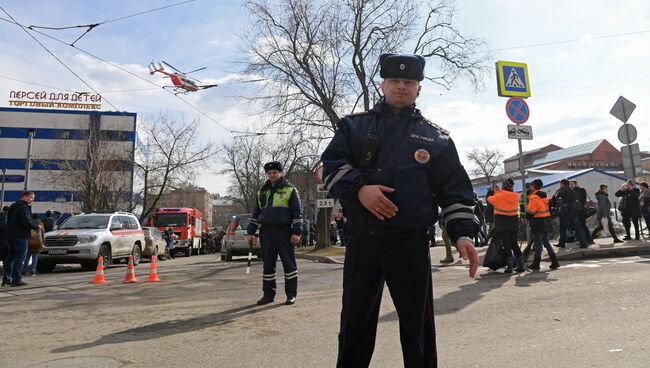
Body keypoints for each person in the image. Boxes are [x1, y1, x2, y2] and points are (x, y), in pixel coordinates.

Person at [321, 53, 479, 367]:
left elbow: (454, 189)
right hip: (363, 242)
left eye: (409, 82)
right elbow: (330, 165)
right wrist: (359, 188)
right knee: (354, 327)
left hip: (410, 244)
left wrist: (462, 233)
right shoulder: (354, 127)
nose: (402, 87)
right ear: (383, 85)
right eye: (395, 81)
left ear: (419, 89)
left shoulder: (437, 139)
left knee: (418, 331)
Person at [247, 161, 302, 306]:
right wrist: (250, 232)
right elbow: (255, 213)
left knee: (288, 263)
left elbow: (297, 213)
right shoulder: (261, 192)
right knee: (268, 265)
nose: (272, 175)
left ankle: (291, 294)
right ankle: (268, 294)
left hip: (284, 231)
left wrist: (297, 232)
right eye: (269, 173)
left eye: (275, 173)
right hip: (266, 232)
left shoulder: (290, 190)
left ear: (281, 173)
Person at [487, 178, 525, 273]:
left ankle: (510, 267)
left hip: (503, 224)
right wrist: (498, 192)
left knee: (507, 245)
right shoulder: (515, 195)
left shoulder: (499, 195)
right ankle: (521, 265)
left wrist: (492, 192)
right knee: (514, 244)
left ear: (504, 185)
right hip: (513, 223)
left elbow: (490, 200)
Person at [3, 191, 39, 287]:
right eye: (31, 197)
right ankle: (17, 279)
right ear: (25, 196)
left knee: (10, 258)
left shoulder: (13, 205)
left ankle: (6, 279)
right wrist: (36, 227)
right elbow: (26, 221)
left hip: (10, 236)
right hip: (20, 236)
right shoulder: (24, 207)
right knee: (20, 258)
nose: (32, 200)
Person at [526, 179, 559, 270]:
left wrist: (527, 215)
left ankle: (536, 264)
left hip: (538, 222)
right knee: (546, 242)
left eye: (531, 185)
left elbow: (531, 211)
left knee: (538, 244)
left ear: (534, 186)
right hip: (546, 221)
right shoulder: (545, 195)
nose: (530, 187)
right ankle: (555, 261)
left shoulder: (533, 197)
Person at [553, 179, 588, 248]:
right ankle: (584, 243)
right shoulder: (572, 190)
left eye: (560, 184)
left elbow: (556, 200)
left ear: (562, 184)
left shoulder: (560, 190)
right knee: (578, 227)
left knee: (563, 228)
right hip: (574, 211)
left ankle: (562, 243)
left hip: (565, 211)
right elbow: (577, 198)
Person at [570, 180, 594, 244]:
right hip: (576, 211)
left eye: (572, 184)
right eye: (570, 184)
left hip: (581, 211)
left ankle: (588, 240)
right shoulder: (571, 191)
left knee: (582, 226)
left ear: (576, 184)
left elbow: (582, 200)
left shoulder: (581, 190)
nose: (571, 185)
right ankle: (584, 240)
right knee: (579, 226)